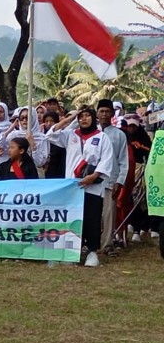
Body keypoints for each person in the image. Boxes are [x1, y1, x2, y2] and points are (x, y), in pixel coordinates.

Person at [46, 107, 114, 267]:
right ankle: (71, 252)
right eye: (81, 116)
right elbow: (51, 134)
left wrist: (94, 176)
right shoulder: (71, 135)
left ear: (93, 118)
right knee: (72, 219)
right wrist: (71, 117)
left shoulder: (102, 137)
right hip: (73, 187)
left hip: (92, 187)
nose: (84, 119)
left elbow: (107, 160)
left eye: (87, 116)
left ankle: (92, 252)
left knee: (92, 219)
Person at [97, 99, 129, 256]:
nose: (104, 114)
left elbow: (123, 161)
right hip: (92, 181)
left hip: (110, 180)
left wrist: (119, 181)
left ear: (112, 113)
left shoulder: (119, 135)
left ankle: (107, 245)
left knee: (109, 214)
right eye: (101, 111)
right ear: (96, 113)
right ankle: (90, 244)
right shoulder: (91, 132)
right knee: (93, 214)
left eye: (107, 111)